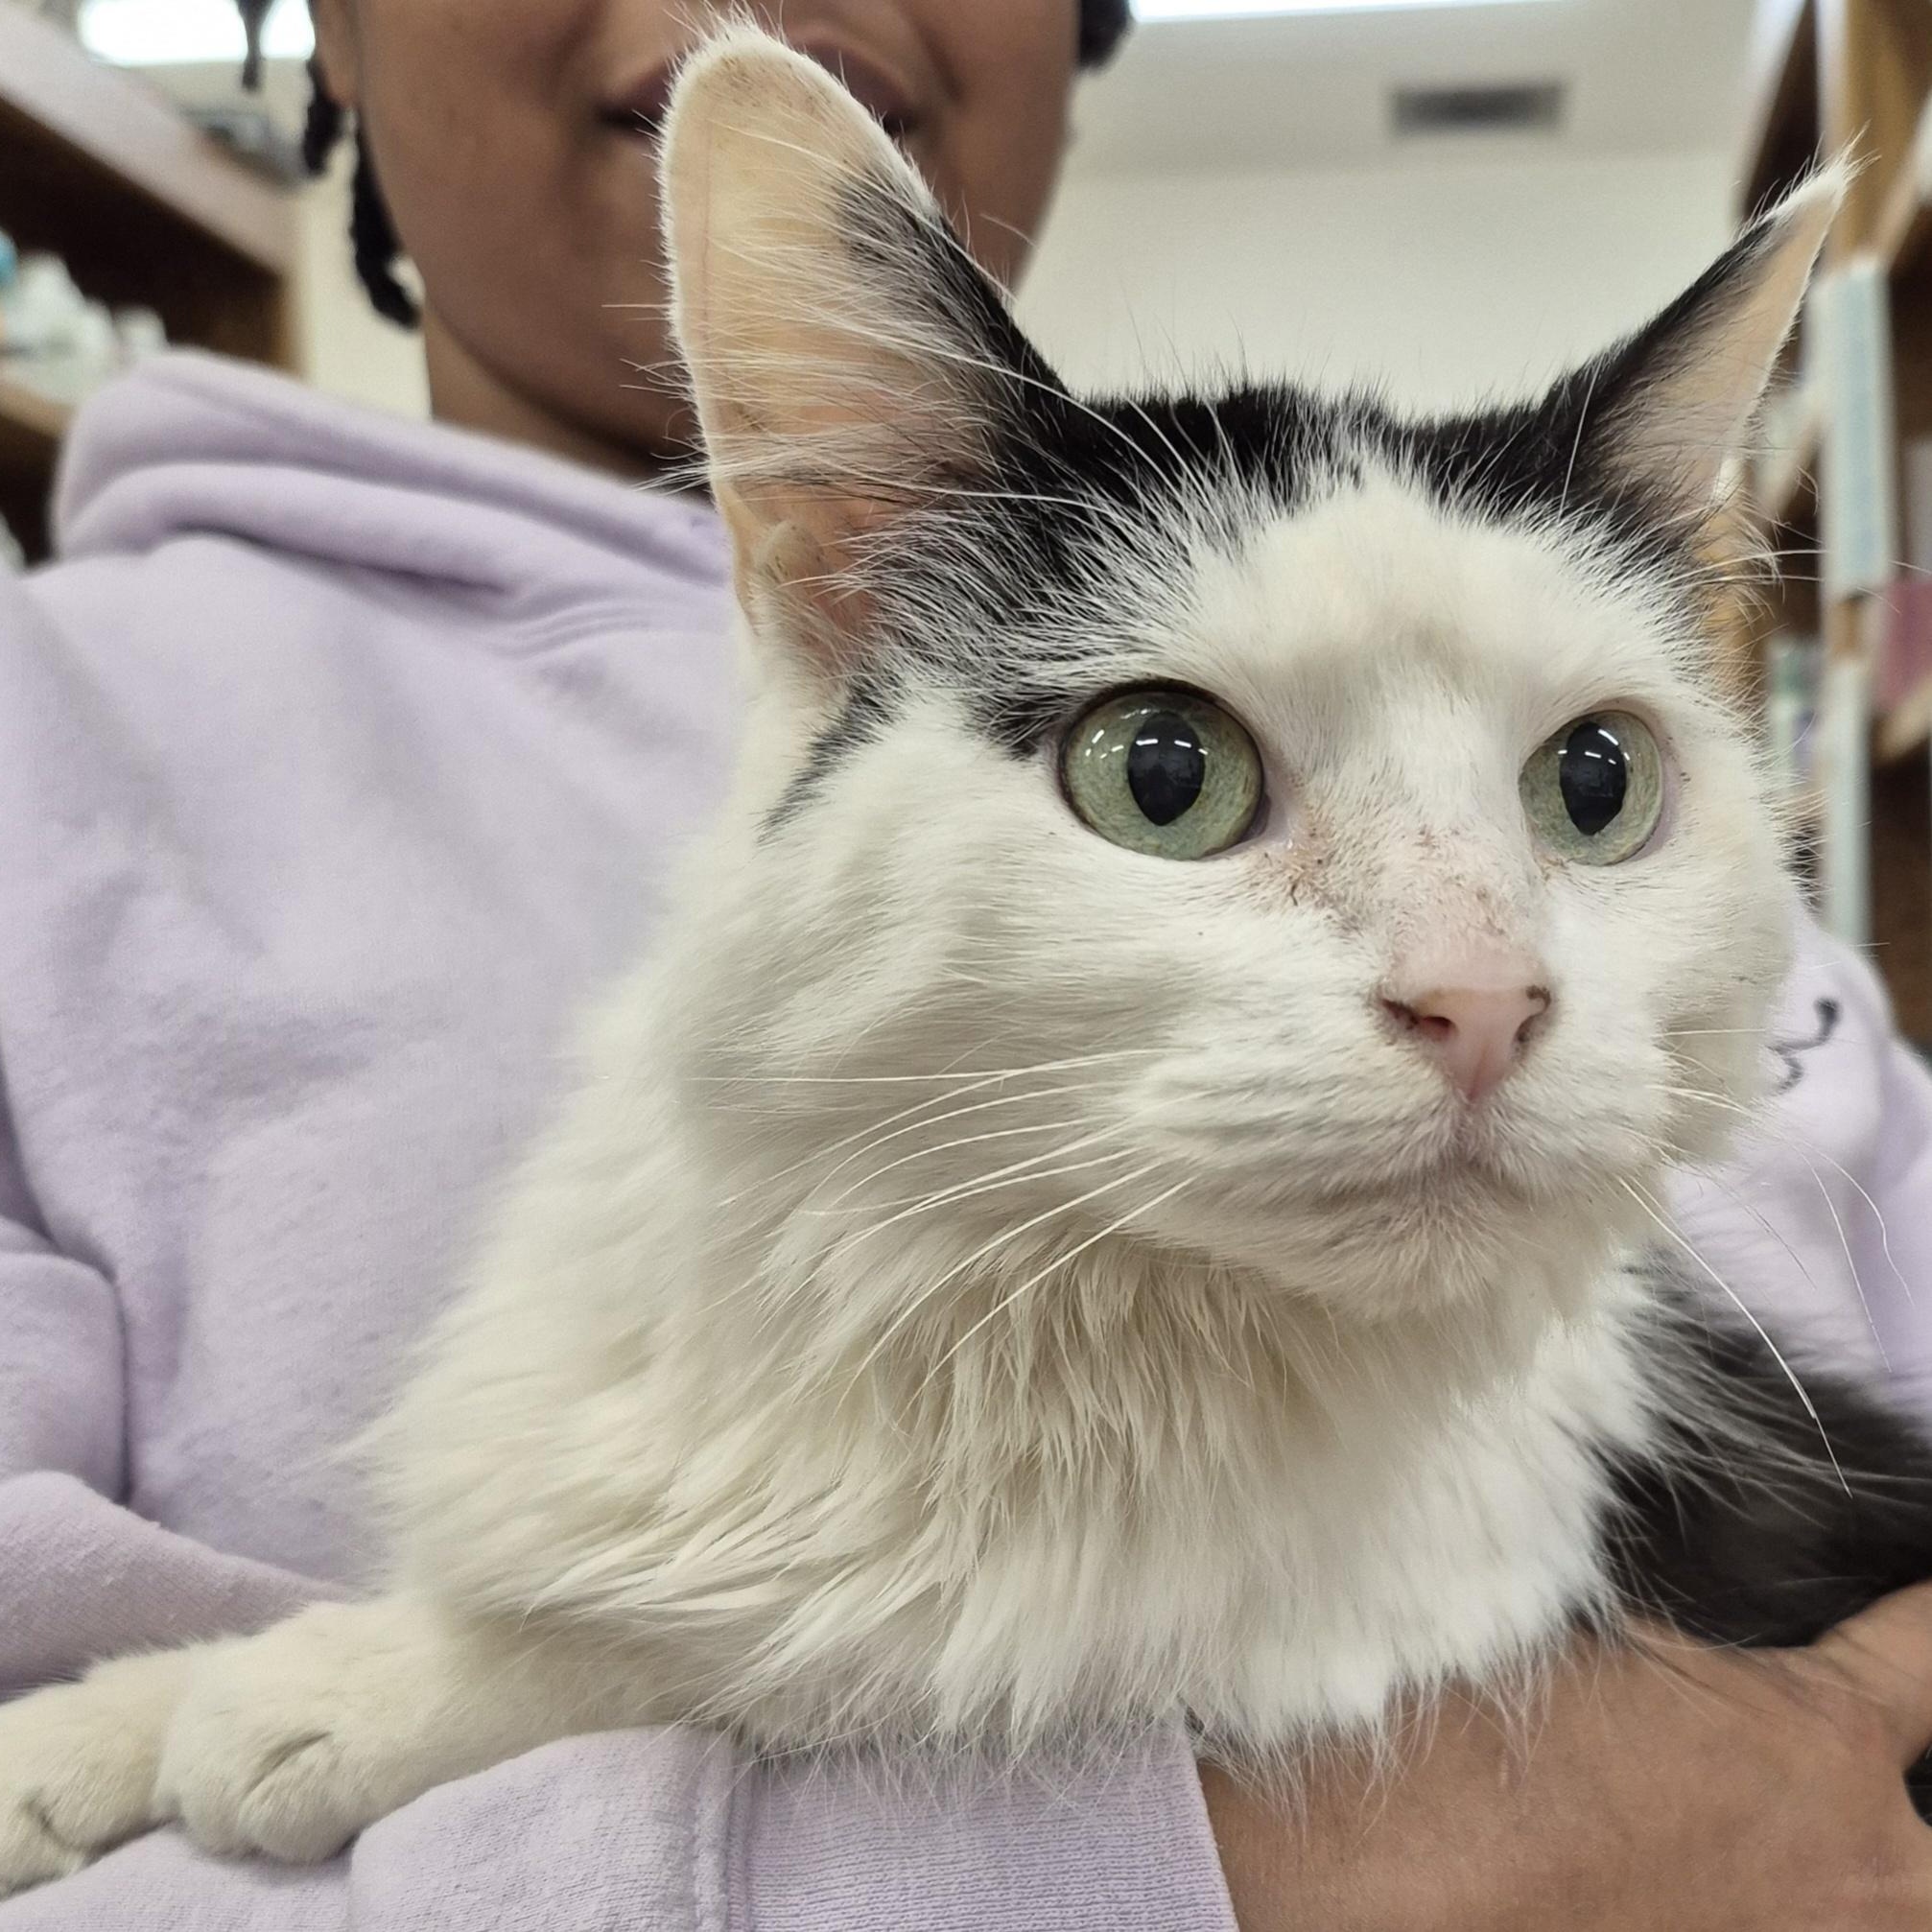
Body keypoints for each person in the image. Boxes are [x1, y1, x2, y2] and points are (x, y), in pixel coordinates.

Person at [1, 2, 1929, 1925]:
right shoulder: (63, 732)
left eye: (1588, 785)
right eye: (1164, 768)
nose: (1478, 986)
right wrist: (1245, 1871)